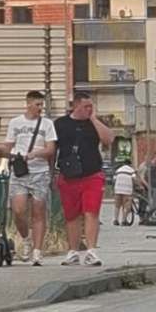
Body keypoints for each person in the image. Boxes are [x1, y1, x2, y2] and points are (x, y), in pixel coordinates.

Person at [0, 90, 58, 266]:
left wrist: (35, 154)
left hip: (39, 172)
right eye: (37, 104)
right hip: (20, 171)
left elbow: (50, 149)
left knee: (38, 211)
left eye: (41, 105)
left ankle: (37, 251)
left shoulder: (47, 124)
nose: (40, 108)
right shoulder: (16, 123)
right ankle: (26, 239)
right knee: (18, 210)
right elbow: (8, 145)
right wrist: (0, 149)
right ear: (28, 104)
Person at [54, 90, 115, 267]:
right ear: (75, 105)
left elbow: (108, 139)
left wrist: (94, 119)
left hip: (92, 174)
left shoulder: (94, 124)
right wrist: (51, 173)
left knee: (91, 211)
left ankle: (91, 251)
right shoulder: (61, 124)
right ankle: (73, 251)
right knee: (71, 215)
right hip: (69, 175)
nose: (89, 109)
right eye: (85, 106)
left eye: (91, 106)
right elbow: (53, 148)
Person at [112, 159, 143, 226]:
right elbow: (134, 179)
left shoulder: (118, 170)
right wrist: (140, 186)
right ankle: (124, 220)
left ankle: (115, 220)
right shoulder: (131, 170)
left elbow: (114, 179)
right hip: (127, 190)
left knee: (117, 205)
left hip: (117, 189)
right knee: (127, 205)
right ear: (130, 164)